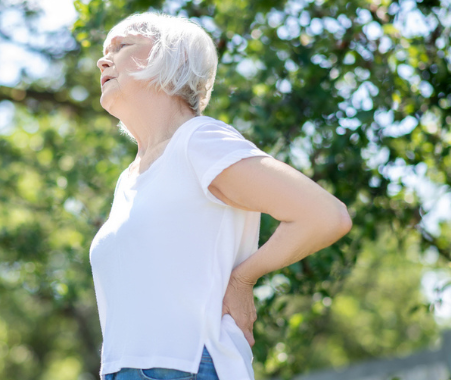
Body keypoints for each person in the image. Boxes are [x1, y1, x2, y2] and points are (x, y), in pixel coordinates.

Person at [88, 12, 352, 380]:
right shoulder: (129, 179)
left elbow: (325, 216)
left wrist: (243, 279)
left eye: (122, 46)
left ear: (173, 58)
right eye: (104, 51)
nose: (103, 59)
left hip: (188, 367)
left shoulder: (198, 141)